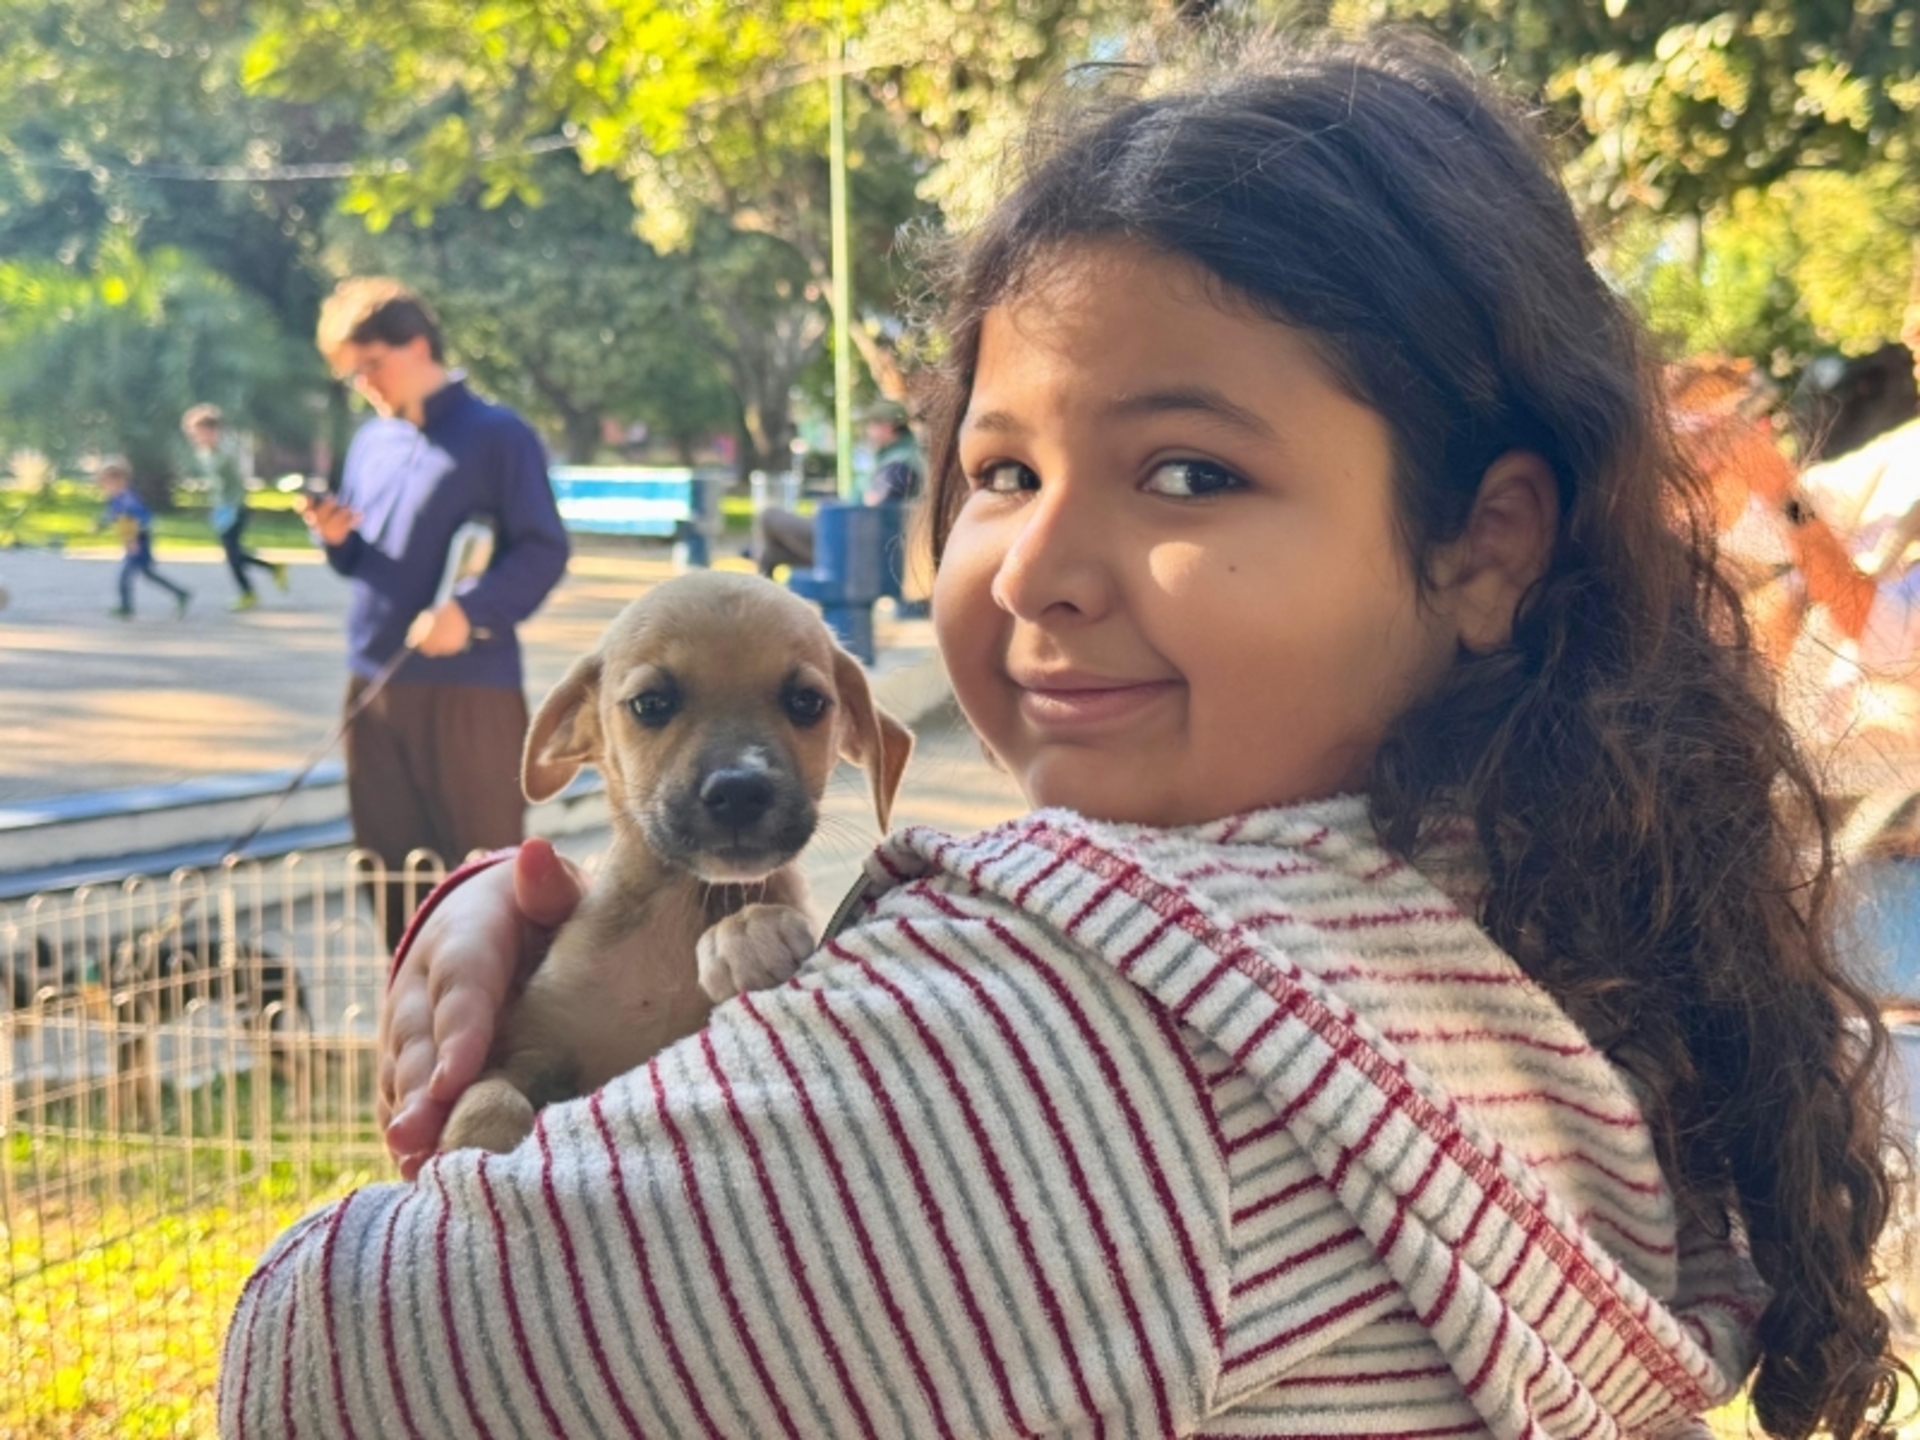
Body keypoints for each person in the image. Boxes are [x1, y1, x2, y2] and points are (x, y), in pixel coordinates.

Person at [222, 37, 1904, 1440]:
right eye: (1004, 470)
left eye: (1188, 472)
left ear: (1486, 546)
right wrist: (551, 978)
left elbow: (317, 1365)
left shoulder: (1072, 1052)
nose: (1030, 566)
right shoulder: (1531, 926)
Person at [303, 279, 570, 947]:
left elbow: (543, 550)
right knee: (389, 872)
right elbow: (371, 560)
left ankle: (502, 1037)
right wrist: (338, 539)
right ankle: (411, 1024)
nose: (364, 384)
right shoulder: (372, 442)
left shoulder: (499, 436)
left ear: (417, 346)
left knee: (484, 876)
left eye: (372, 365)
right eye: (352, 374)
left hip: (469, 690)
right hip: (374, 683)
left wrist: (471, 612)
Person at [755, 400, 925, 576]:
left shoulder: (898, 465)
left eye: (872, 425)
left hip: (850, 545)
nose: (869, 432)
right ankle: (761, 592)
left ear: (888, 427)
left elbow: (874, 507)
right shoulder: (901, 456)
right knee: (771, 554)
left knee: (768, 517)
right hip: (852, 539)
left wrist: (837, 508)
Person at [181, 403, 287, 611]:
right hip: (221, 508)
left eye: (199, 432)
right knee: (234, 552)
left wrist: (231, 507)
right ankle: (273, 569)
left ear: (212, 430)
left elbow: (238, 480)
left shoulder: (227, 450)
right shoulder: (205, 453)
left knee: (232, 553)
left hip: (235, 507)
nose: (196, 437)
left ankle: (249, 593)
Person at [96, 457, 190, 620]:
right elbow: (113, 516)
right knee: (149, 574)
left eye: (107, 483)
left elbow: (145, 519)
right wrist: (101, 525)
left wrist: (135, 539)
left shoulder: (130, 500)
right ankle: (181, 593)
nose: (105, 488)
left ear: (120, 480)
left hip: (139, 543)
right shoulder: (117, 499)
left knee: (124, 576)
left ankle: (126, 608)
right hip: (131, 543)